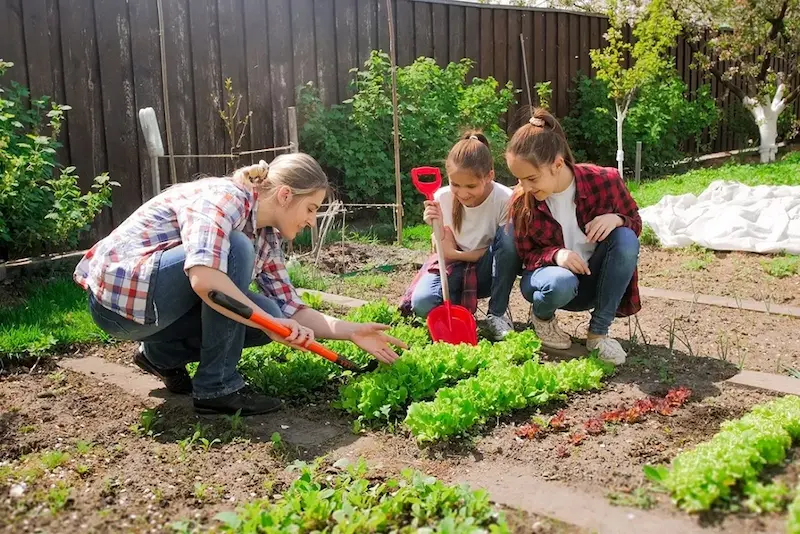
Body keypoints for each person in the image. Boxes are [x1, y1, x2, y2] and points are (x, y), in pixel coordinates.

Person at [74, 155, 406, 416]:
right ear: (285, 194)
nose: (310, 220)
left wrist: (351, 330)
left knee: (271, 311)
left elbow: (293, 309)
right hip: (120, 300)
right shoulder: (225, 199)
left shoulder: (266, 237)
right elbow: (206, 281)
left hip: (152, 313)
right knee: (237, 251)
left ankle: (160, 355)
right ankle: (217, 388)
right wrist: (272, 322)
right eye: (310, 208)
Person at [505, 108, 641, 364]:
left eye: (531, 178)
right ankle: (542, 319)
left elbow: (635, 223)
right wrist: (557, 255)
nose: (525, 187)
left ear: (557, 164)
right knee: (560, 281)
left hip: (593, 283)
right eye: (519, 179)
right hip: (550, 283)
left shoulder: (605, 180)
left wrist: (618, 219)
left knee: (625, 238)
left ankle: (598, 335)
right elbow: (526, 255)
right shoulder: (522, 200)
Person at [400, 131, 518, 341]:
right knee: (423, 303)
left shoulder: (504, 199)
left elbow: (505, 250)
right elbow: (444, 253)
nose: (462, 193)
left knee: (510, 237)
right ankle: (456, 311)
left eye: (471, 186)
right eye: (455, 184)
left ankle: (497, 314)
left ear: (489, 175)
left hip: (489, 271)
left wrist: (472, 255)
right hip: (453, 267)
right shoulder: (440, 198)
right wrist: (435, 226)